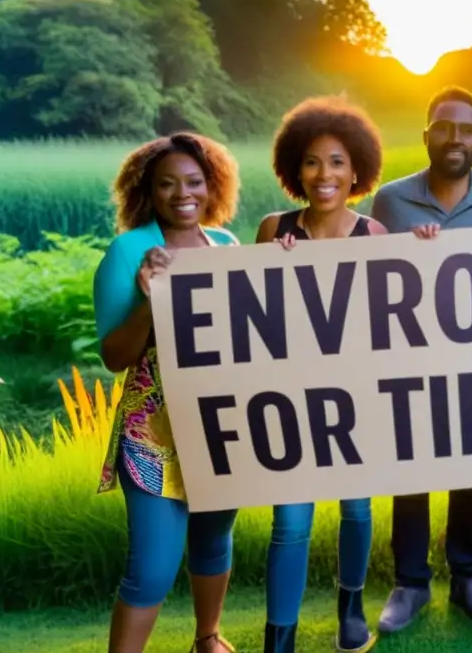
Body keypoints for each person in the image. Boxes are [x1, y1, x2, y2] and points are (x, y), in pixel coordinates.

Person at [368, 85, 472, 634]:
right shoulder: (390, 201)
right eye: (445, 127)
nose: (456, 138)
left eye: (467, 129)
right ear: (427, 136)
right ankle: (410, 584)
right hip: (409, 364)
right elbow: (362, 278)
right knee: (410, 475)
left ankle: (467, 578)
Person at [92, 133, 242, 653]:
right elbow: (114, 357)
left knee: (213, 538)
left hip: (220, 420)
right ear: (148, 192)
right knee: (153, 567)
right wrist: (149, 300)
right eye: (167, 184)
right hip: (153, 429)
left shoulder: (225, 246)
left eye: (195, 182)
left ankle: (208, 637)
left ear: (211, 186)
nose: (183, 193)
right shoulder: (130, 249)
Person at [255, 95, 387, 653]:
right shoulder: (271, 230)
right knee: (290, 523)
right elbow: (248, 322)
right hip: (290, 400)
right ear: (294, 170)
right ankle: (278, 635)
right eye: (312, 161)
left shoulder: (375, 236)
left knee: (356, 507)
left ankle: (350, 606)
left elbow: (397, 322)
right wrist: (273, 269)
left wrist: (426, 252)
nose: (324, 173)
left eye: (336, 161)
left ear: (356, 169)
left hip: (356, 396)